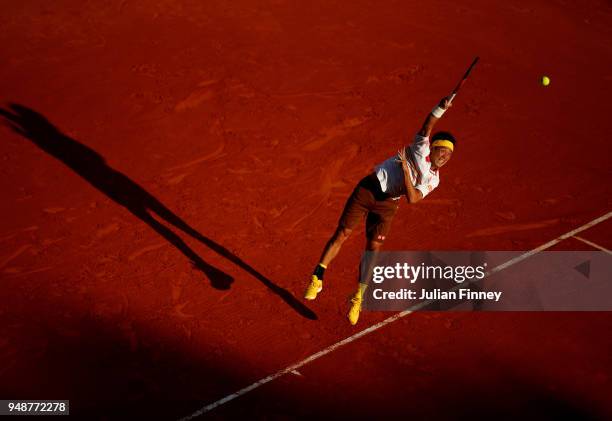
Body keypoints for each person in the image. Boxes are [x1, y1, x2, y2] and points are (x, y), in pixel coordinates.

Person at [304, 96, 457, 325]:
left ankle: (358, 297)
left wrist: (405, 171)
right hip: (368, 189)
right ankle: (318, 277)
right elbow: (428, 125)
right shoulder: (419, 147)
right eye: (442, 152)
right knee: (342, 233)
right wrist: (440, 108)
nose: (445, 158)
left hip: (388, 204)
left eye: (449, 155)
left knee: (373, 248)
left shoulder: (434, 180)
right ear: (433, 148)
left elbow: (413, 199)